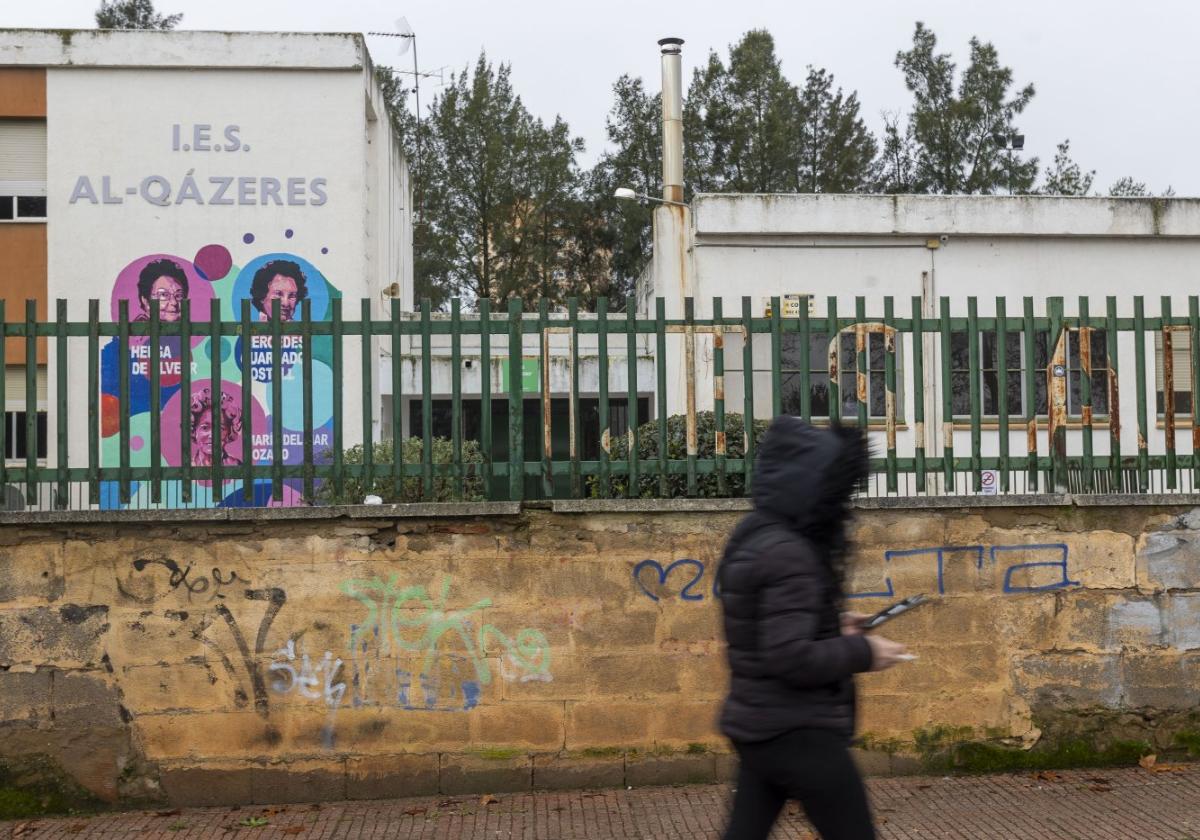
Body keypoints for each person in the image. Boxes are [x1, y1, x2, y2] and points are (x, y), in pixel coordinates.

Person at [718, 417, 909, 840]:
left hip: (761, 724)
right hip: (799, 731)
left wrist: (833, 625)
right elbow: (789, 655)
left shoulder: (756, 536)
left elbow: (765, 623)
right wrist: (865, 653)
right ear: (815, 490)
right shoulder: (792, 553)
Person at [190, 386, 244, 468]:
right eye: (205, 428)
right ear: (194, 431)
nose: (212, 435)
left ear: (229, 432)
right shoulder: (188, 467)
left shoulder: (236, 466)